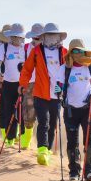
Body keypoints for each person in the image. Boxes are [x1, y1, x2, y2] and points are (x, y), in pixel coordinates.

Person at [19, 23, 68, 166]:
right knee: (43, 122)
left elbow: (69, 71)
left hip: (57, 95)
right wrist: (23, 84)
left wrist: (66, 88)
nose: (52, 38)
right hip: (40, 93)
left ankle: (48, 149)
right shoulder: (36, 51)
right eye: (49, 35)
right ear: (44, 36)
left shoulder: (64, 52)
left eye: (54, 35)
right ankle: (42, 150)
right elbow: (27, 69)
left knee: (53, 124)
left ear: (58, 37)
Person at [61, 40, 91, 181]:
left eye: (80, 51)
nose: (78, 53)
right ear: (70, 53)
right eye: (75, 51)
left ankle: (89, 171)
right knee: (72, 142)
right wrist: (58, 90)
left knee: (89, 140)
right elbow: (58, 85)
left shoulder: (90, 67)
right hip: (71, 110)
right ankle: (74, 171)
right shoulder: (65, 68)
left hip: (88, 110)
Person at [0, 23, 28, 145]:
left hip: (22, 84)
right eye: (15, 36)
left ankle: (23, 137)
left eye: (19, 37)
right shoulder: (5, 47)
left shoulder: (25, 48)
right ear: (11, 36)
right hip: (8, 83)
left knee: (23, 111)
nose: (17, 39)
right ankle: (10, 138)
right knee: (9, 110)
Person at [18, 23, 45, 148]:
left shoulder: (48, 49)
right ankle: (27, 138)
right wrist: (21, 66)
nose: (36, 40)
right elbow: (20, 63)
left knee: (44, 114)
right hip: (29, 84)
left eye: (38, 37)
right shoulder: (25, 48)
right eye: (34, 37)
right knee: (28, 111)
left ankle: (44, 145)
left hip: (44, 84)